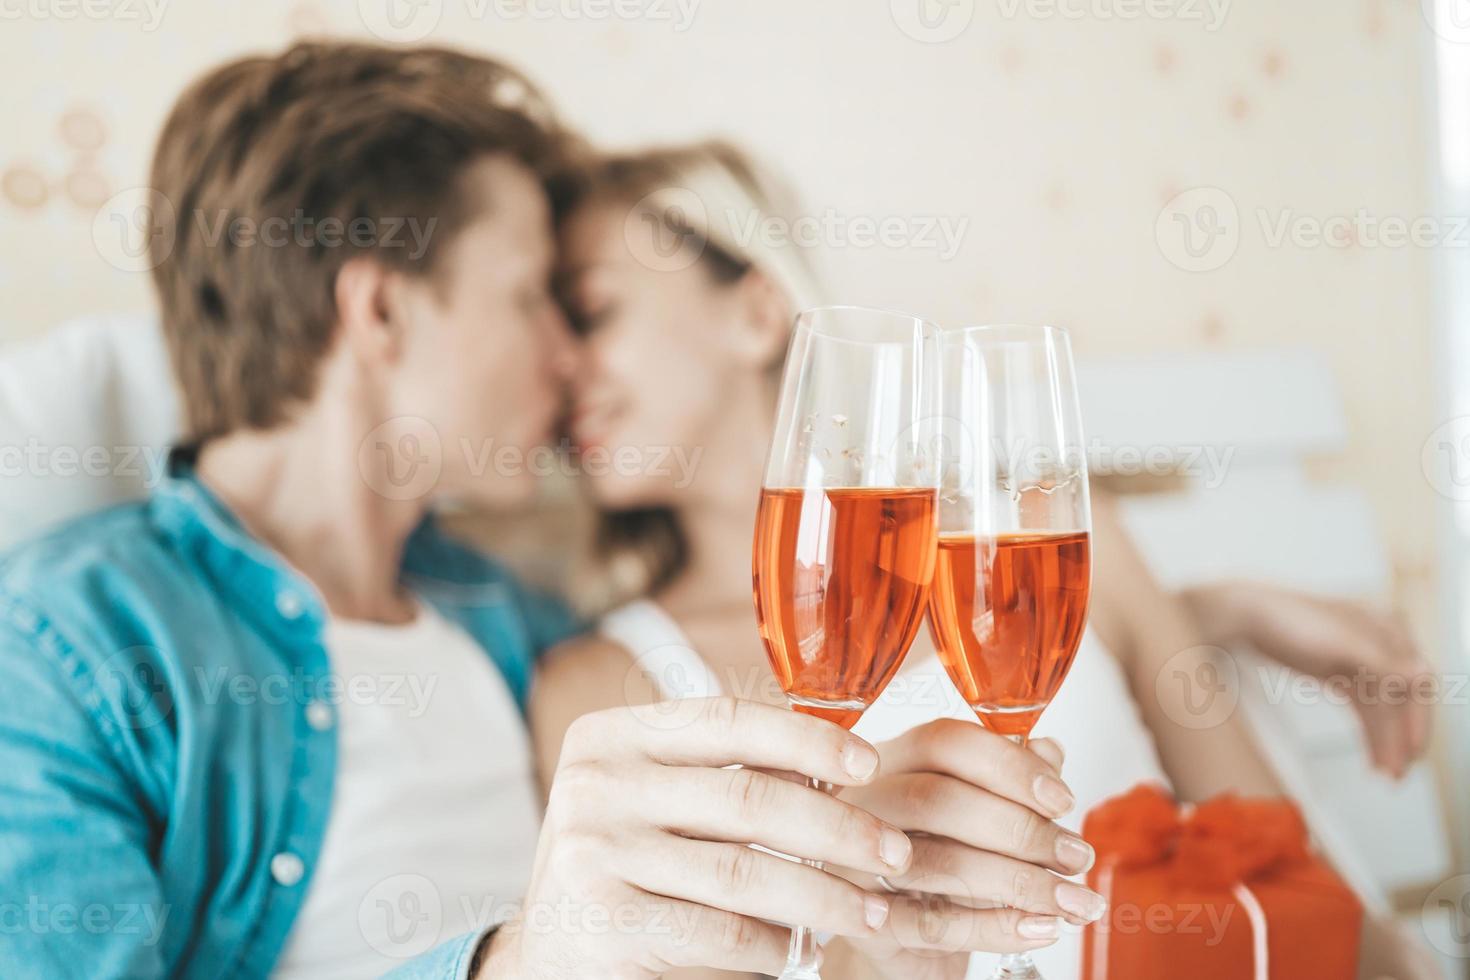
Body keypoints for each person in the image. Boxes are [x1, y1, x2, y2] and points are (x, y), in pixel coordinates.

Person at [0, 43, 1090, 979]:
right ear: (380, 308)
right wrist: (514, 961)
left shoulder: (520, 623)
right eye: (531, 298)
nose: (568, 362)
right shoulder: (65, 645)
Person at [534, 140, 1442, 979]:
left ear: (758, 311)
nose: (555, 364)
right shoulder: (597, 697)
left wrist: (1212, 611)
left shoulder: (1055, 548)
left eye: (589, 313)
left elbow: (1292, 880)